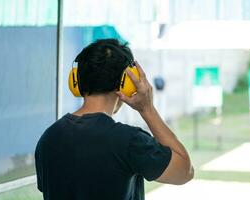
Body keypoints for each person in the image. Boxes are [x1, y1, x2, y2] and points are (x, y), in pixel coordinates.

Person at [35, 39, 194, 200]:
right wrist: (147, 109)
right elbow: (185, 172)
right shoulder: (129, 141)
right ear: (126, 84)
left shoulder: (48, 138)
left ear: (77, 81)